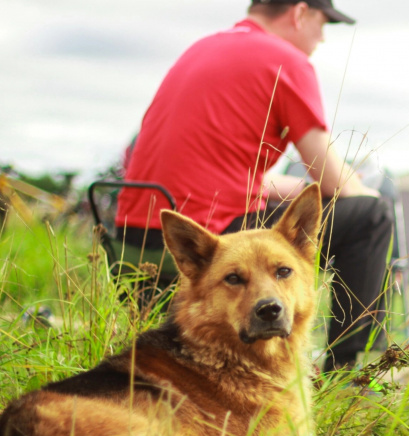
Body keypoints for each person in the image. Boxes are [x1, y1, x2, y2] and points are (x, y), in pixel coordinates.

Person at [115, 0, 394, 373]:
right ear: (299, 13)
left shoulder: (203, 48)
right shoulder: (287, 60)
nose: (322, 38)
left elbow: (215, 169)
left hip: (128, 244)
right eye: (322, 23)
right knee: (371, 216)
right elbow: (336, 182)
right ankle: (347, 371)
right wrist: (365, 192)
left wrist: (296, 189)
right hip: (210, 243)